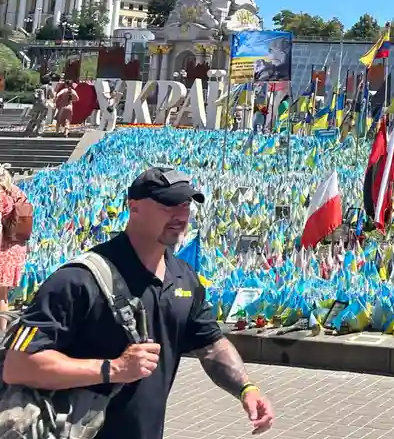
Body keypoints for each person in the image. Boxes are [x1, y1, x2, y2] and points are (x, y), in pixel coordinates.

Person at [3, 166, 276, 439]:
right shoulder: (78, 280)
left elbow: (211, 345)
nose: (180, 215)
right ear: (134, 207)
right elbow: (18, 366)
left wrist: (246, 389)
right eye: (168, 204)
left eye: (185, 204)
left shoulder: (183, 277)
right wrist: (114, 369)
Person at [0, 166, 29, 311]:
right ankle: (3, 331)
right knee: (2, 295)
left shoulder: (1, 195)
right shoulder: (17, 192)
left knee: (0, 296)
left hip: (3, 249)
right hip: (16, 248)